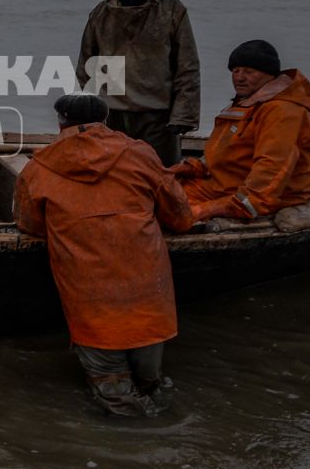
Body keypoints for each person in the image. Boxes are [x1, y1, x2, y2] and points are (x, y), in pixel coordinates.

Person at [15, 93, 196, 416]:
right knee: (150, 383)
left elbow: (30, 224)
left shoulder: (38, 169)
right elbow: (180, 217)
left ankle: (132, 445)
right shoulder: (140, 153)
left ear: (60, 124)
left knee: (118, 400)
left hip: (91, 302)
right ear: (106, 120)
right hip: (148, 296)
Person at [171, 39, 310, 221]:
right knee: (149, 194)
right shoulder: (246, 103)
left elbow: (270, 172)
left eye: (249, 72)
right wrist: (195, 167)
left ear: (270, 75)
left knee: (173, 217)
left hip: (258, 199)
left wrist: (216, 209)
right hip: (221, 187)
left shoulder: (282, 112)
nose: (239, 77)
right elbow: (224, 151)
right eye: (235, 71)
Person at [78, 0, 200, 166]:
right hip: (112, 113)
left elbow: (187, 67)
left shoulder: (171, 10)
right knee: (114, 175)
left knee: (160, 176)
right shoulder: (101, 13)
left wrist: (184, 115)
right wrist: (87, 112)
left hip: (158, 114)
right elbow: (87, 65)